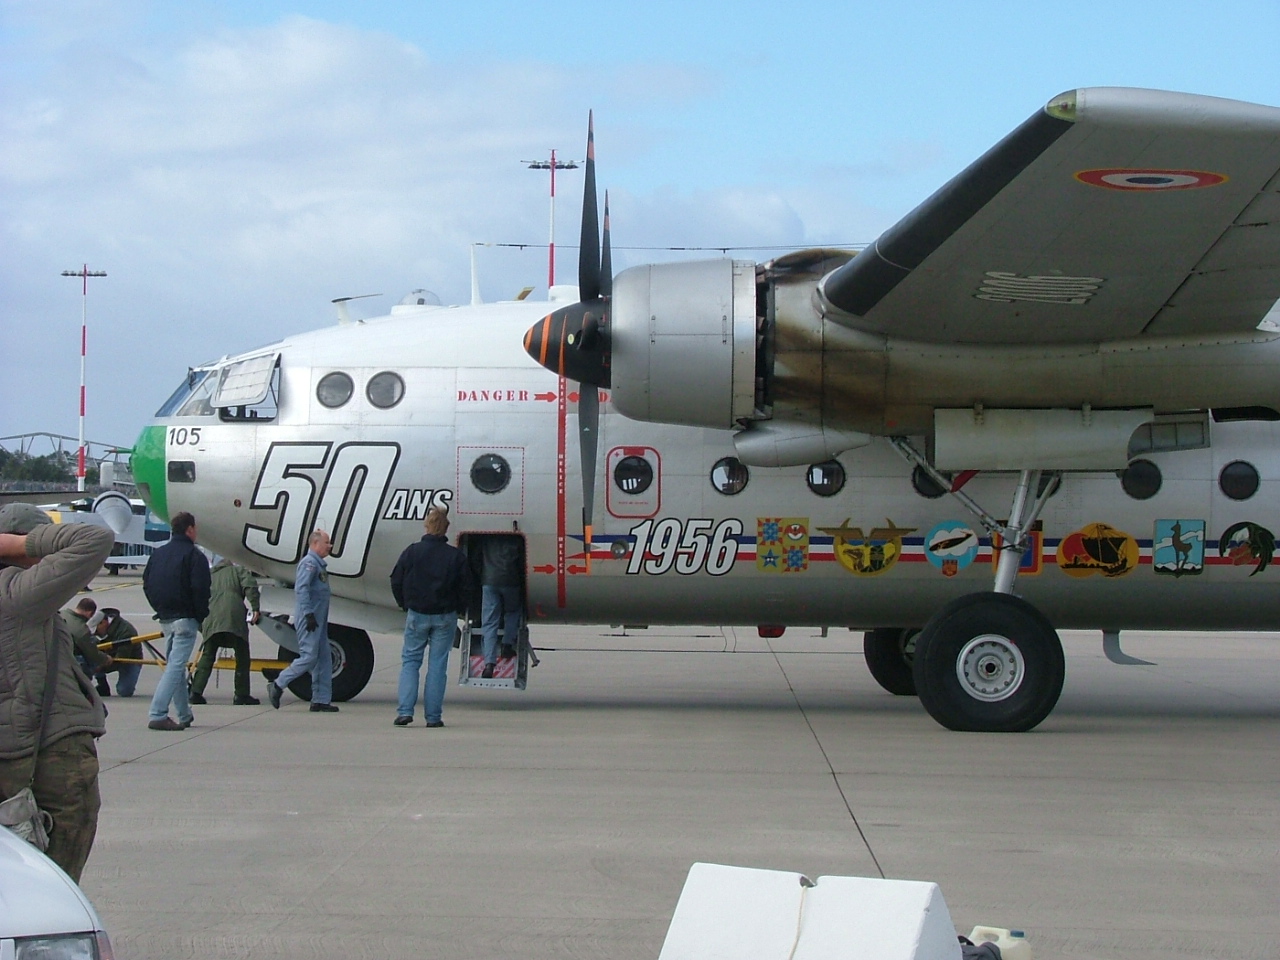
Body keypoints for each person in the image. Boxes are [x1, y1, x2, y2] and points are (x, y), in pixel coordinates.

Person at [0, 502, 114, 882]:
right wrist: (16, 544)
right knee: (57, 881)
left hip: (23, 751)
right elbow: (94, 538)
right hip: (51, 754)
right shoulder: (18, 594)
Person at [390, 506, 472, 728]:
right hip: (445, 615)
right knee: (437, 665)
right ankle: (433, 716)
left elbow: (396, 579)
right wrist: (459, 608)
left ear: (427, 525)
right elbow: (466, 587)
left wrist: (404, 603)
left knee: (410, 661)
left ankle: (405, 711)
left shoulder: (412, 552)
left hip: (417, 612)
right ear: (446, 528)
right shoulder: (455, 556)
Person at [143, 511, 210, 731]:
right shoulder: (194, 556)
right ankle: (158, 712)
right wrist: (200, 615)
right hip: (186, 618)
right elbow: (200, 589)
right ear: (190, 529)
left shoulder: (158, 554)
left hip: (165, 617)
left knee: (176, 665)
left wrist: (159, 607)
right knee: (175, 666)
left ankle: (184, 713)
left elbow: (147, 583)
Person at [266, 530, 337, 713]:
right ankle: (278, 684)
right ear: (315, 544)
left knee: (324, 658)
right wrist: (308, 614)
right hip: (310, 620)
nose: (330, 546)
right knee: (309, 657)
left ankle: (320, 699)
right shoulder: (309, 564)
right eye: (327, 543)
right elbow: (302, 589)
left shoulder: (319, 565)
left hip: (318, 620)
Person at [189, 559, 261, 705]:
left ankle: (195, 692)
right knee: (242, 656)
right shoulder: (237, 570)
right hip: (232, 615)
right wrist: (255, 608)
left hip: (210, 617)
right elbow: (250, 585)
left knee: (208, 655)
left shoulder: (209, 575)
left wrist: (201, 624)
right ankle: (241, 694)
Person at [478, 535, 524, 678]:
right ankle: (507, 645)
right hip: (511, 581)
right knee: (512, 611)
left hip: (489, 580)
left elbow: (476, 559)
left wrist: (482, 576)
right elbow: (522, 563)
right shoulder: (516, 540)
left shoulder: (487, 539)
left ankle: (489, 663)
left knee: (490, 622)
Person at [93, 607, 142, 698]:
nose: (95, 633)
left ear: (103, 623)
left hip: (128, 659)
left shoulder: (126, 631)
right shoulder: (96, 628)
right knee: (91, 655)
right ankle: (102, 685)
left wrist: (99, 667)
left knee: (124, 691)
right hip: (106, 655)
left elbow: (121, 659)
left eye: (96, 630)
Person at [60, 597, 112, 681]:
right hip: (68, 656)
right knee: (91, 661)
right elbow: (92, 653)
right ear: (90, 613)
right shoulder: (81, 630)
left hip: (54, 652)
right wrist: (105, 658)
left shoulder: (62, 614)